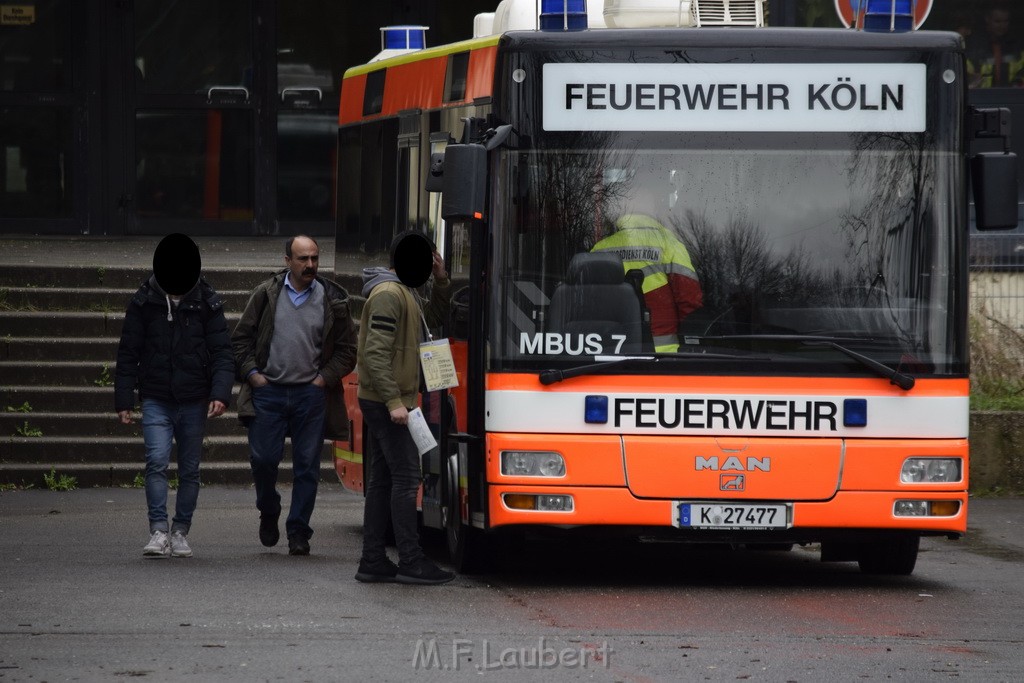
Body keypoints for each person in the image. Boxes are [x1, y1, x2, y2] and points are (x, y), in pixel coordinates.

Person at [231, 235, 357, 556]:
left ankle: (299, 531)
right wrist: (253, 375)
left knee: (307, 467)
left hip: (310, 396)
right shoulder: (266, 294)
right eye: (303, 259)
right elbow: (240, 340)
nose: (310, 265)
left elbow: (347, 352)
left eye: (314, 258)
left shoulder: (332, 301)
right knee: (263, 460)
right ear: (288, 261)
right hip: (268, 392)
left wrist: (323, 379)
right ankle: (269, 507)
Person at [114, 233, 234, 559]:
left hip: (194, 398)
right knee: (155, 462)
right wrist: (124, 399)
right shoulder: (145, 301)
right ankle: (158, 530)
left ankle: (180, 531)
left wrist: (220, 392)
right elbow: (129, 352)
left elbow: (223, 352)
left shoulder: (207, 301)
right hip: (156, 396)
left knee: (189, 468)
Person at [355, 230, 455, 585]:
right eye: (426, 259)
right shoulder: (388, 295)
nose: (430, 264)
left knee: (382, 479)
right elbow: (375, 354)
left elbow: (433, 317)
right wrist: (396, 403)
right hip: (388, 401)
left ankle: (372, 559)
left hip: (390, 399)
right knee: (405, 478)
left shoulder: (406, 292)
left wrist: (441, 281)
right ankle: (410, 561)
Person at [591, 193, 703, 353]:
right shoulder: (669, 243)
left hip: (606, 353)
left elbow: (588, 302)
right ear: (654, 211)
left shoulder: (600, 248)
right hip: (662, 355)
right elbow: (689, 299)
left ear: (622, 212)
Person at [966, 4, 1024, 88]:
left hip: (1012, 97)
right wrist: (971, 82)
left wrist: (1018, 83)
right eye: (997, 21)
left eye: (1006, 21)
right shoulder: (974, 45)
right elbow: (965, 73)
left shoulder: (1018, 46)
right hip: (980, 97)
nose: (1002, 25)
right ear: (987, 19)